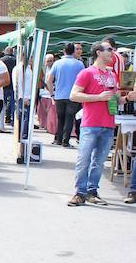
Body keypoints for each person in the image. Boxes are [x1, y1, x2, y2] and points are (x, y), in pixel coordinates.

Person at [67, 40, 124, 206]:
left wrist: (126, 98)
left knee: (98, 161)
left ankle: (92, 191)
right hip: (91, 123)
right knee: (84, 159)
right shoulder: (87, 73)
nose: (112, 52)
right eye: (109, 50)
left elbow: (116, 99)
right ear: (98, 52)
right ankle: (79, 192)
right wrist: (97, 98)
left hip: (108, 123)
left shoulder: (112, 75)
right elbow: (74, 95)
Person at [47, 43, 85, 147]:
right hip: (73, 96)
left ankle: (58, 139)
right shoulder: (79, 64)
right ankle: (65, 141)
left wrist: (52, 94)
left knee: (60, 118)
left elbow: (49, 80)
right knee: (69, 118)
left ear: (64, 51)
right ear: (73, 51)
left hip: (59, 95)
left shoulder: (57, 63)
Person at [0, 47, 17, 128]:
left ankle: (0, 122)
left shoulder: (1, 60)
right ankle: (13, 120)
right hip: (13, 85)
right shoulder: (16, 60)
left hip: (3, 85)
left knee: (1, 104)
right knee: (13, 103)